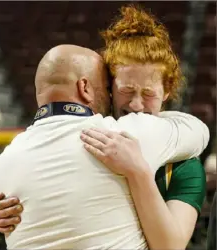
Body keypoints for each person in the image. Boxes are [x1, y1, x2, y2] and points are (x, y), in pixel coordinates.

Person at [0, 43, 209, 249]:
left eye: (149, 93)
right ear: (85, 87)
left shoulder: (3, 166)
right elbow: (198, 130)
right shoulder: (127, 133)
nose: (136, 105)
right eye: (118, 91)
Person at [79, 5, 208, 250]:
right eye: (126, 91)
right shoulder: (81, 139)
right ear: (109, 87)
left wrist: (137, 171)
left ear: (167, 91)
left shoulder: (184, 166)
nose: (136, 105)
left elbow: (170, 247)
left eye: (148, 94)